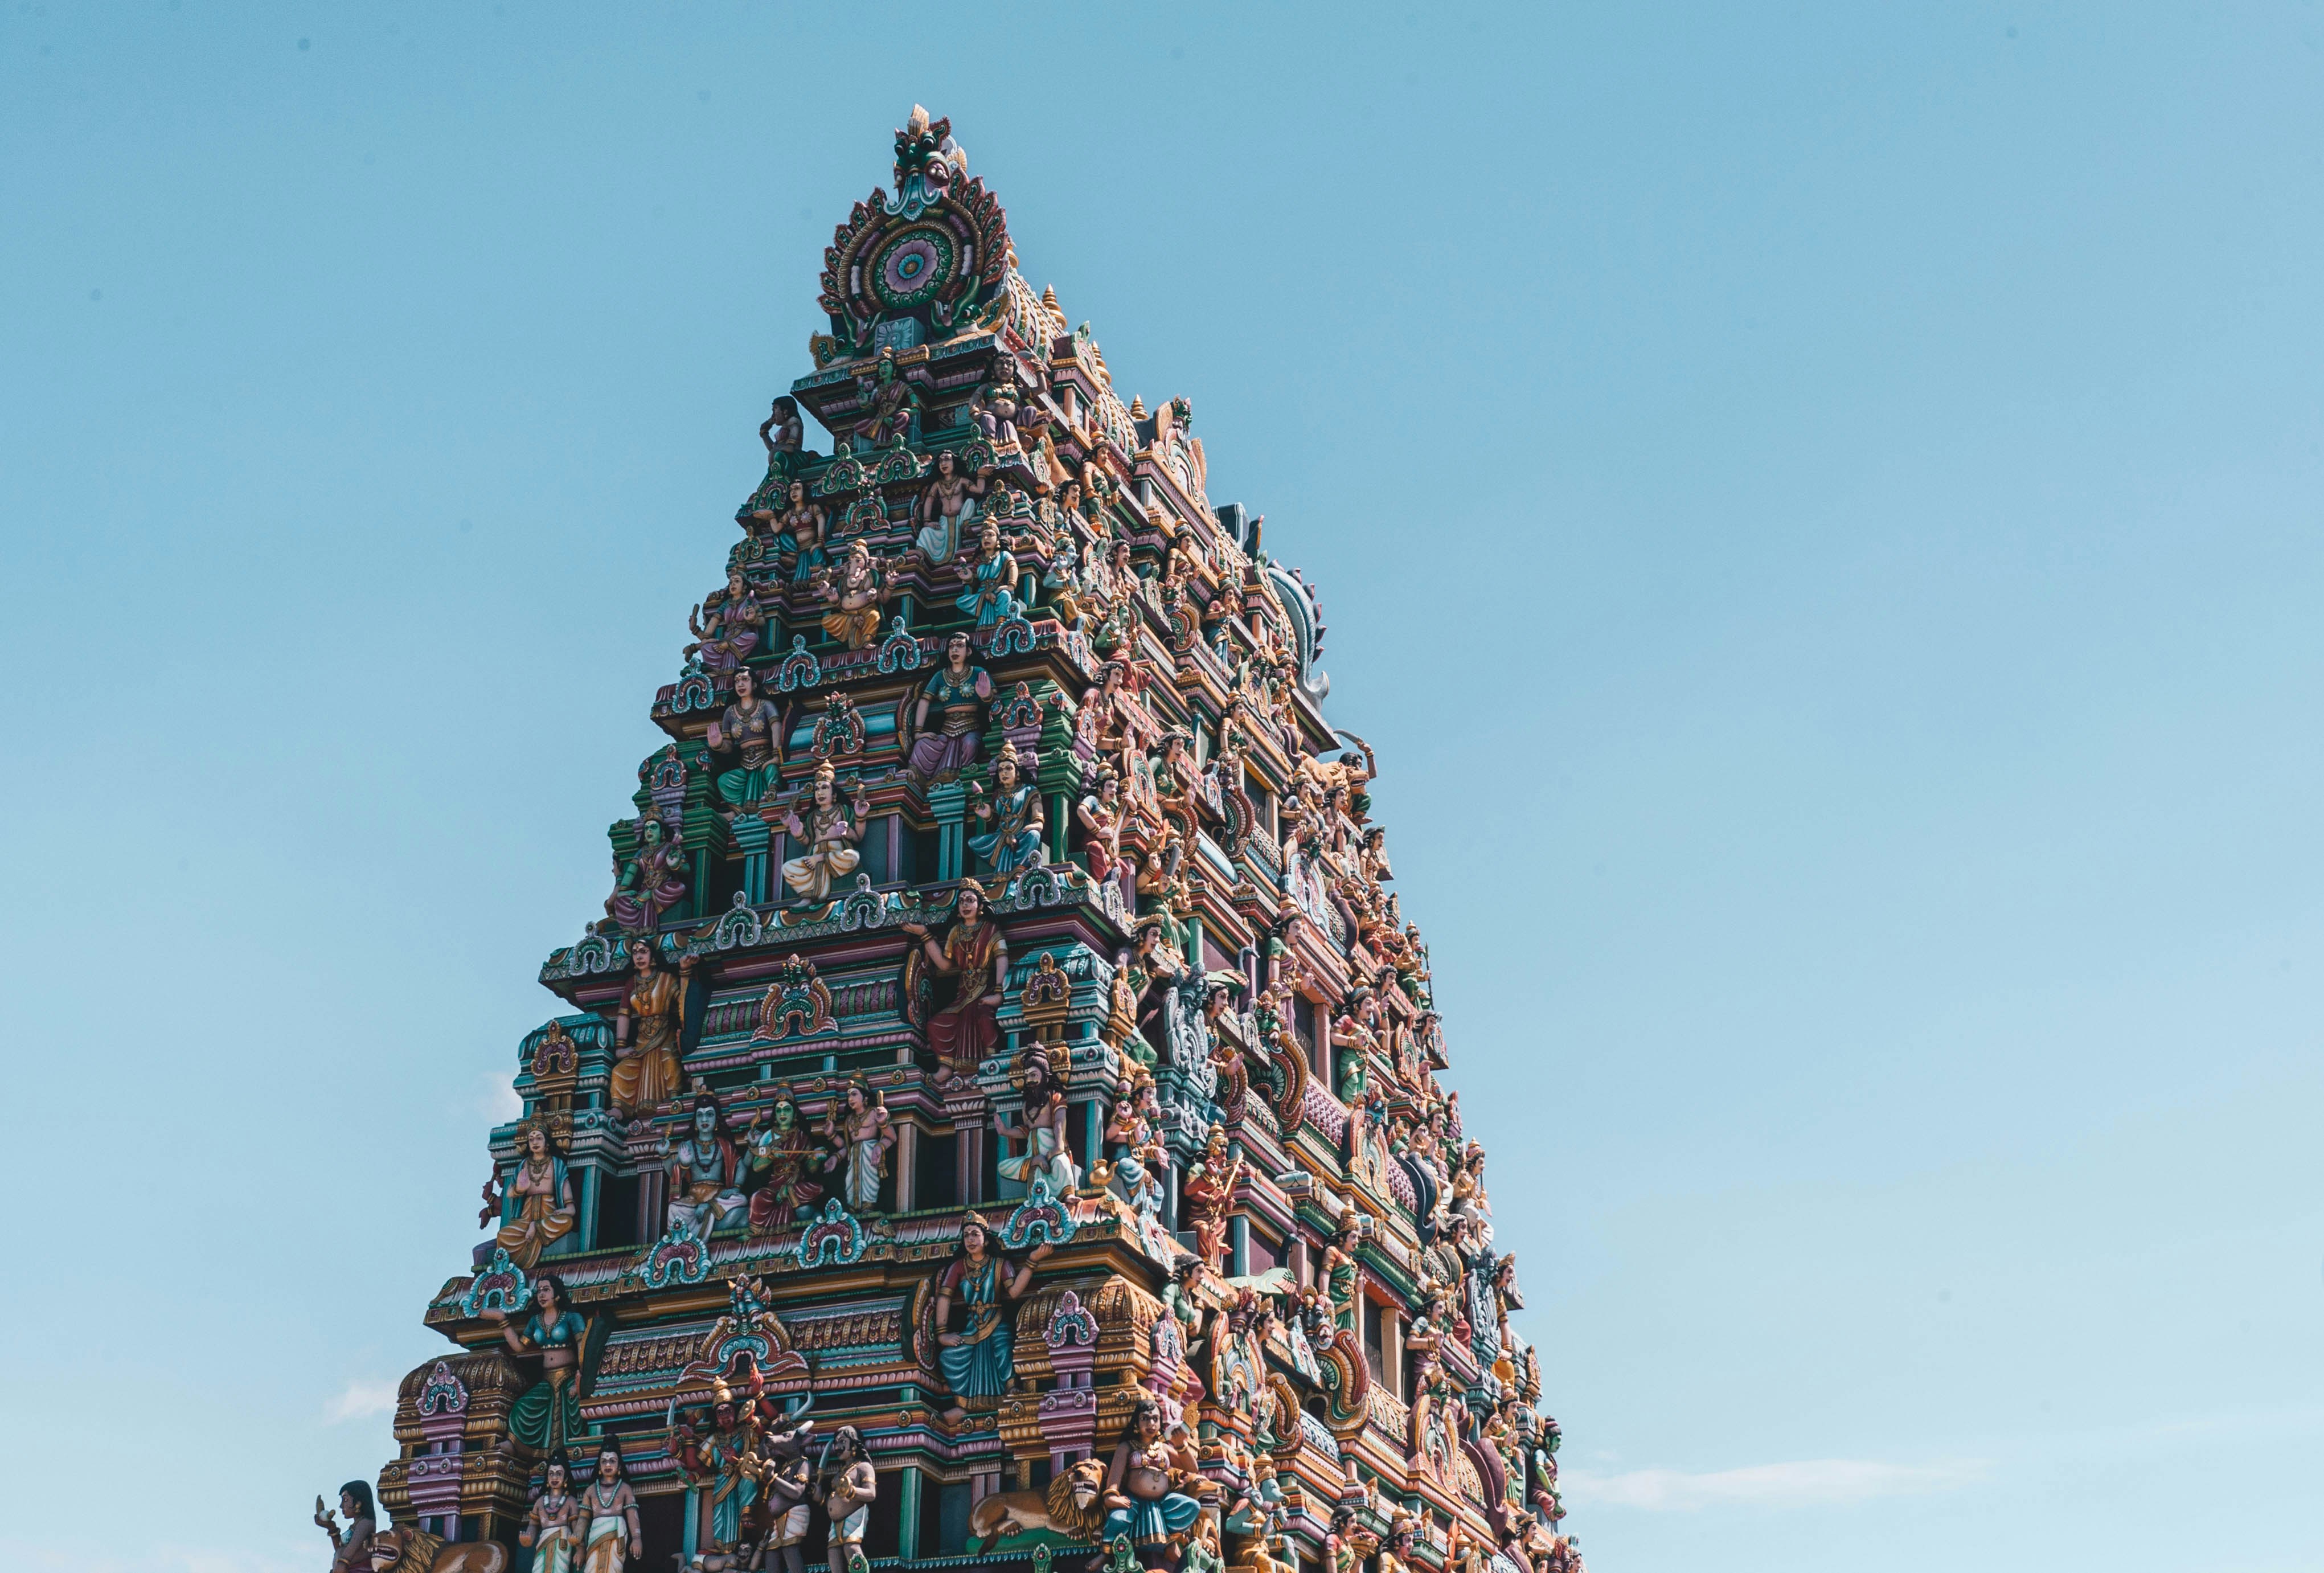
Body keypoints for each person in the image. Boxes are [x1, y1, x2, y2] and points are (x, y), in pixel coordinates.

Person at [933, 1216, 1050, 1422]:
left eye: (975, 1234)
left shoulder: (1000, 1265)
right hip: (973, 1325)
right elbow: (945, 1297)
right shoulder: (958, 1268)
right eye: (966, 1235)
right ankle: (963, 1405)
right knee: (949, 1358)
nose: (970, 1239)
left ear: (986, 1240)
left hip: (996, 1320)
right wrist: (942, 1334)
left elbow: (1014, 1292)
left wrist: (1032, 1261)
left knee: (1003, 1348)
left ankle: (1011, 1390)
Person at [902, 879, 1005, 1086]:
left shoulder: (991, 930)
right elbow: (944, 965)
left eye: (970, 900)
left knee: (985, 1018)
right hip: (963, 991)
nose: (966, 905)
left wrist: (999, 991)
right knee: (936, 1025)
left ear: (981, 907)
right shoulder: (955, 933)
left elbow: (1002, 958)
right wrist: (925, 935)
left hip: (984, 987)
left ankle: (990, 1059)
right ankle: (947, 1067)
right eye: (962, 902)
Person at [489, 1273, 588, 1457]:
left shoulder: (572, 1318)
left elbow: (583, 1347)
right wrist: (502, 1320)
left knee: (578, 1407)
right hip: (547, 1379)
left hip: (569, 1376)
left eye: (546, 1290)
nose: (541, 1295)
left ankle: (577, 1447)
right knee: (521, 1408)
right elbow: (519, 1347)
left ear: (557, 1295)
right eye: (539, 1291)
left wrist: (581, 1377)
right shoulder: (535, 1321)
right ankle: (514, 1443)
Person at [1099, 1398, 1206, 1565]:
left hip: (1162, 1502)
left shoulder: (1164, 1448)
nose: (1151, 1423)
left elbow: (1193, 1468)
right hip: (1133, 1501)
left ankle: (1169, 1541)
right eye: (1145, 1418)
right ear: (1136, 1422)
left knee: (1192, 1507)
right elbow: (1115, 1477)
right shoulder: (1127, 1447)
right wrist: (1112, 1496)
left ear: (1161, 1422)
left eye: (1155, 1419)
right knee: (1117, 1519)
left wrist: (1181, 1445)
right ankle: (1105, 1553)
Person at [609, 945, 689, 1117]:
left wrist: (684, 971)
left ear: (653, 956)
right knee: (619, 1072)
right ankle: (620, 1108)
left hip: (665, 1033)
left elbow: (685, 1001)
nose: (639, 956)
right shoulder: (632, 983)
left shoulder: (666, 979)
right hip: (642, 1040)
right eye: (635, 953)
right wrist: (621, 1047)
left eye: (643, 952)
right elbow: (624, 1015)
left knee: (669, 1059)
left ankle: (674, 1100)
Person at [659, 1089, 747, 1240]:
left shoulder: (723, 1145)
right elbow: (674, 1174)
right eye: (700, 1115)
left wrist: (736, 1187)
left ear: (716, 1120)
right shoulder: (688, 1145)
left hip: (718, 1195)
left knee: (741, 1199)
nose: (704, 1119)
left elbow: (740, 1165)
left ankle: (709, 1212)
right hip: (694, 1197)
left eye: (710, 1114)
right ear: (695, 1121)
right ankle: (713, 1223)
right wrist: (666, 1156)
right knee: (673, 1210)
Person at [994, 1043, 1081, 1193]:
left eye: (1034, 1075)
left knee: (1062, 1162)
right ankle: (1036, 1161)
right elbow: (1026, 1131)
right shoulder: (1027, 1106)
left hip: (1052, 1150)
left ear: (1045, 1076)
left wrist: (1056, 1149)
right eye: (1027, 1076)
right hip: (1032, 1155)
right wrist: (1005, 1131)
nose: (1030, 1080)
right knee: (1003, 1167)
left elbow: (1060, 1122)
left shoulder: (1055, 1097)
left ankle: (1068, 1195)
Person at [904, 633, 991, 782]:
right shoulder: (940, 676)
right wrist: (919, 732)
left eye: (960, 646)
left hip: (971, 727)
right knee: (922, 745)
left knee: (971, 744)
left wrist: (986, 696)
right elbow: (925, 701)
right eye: (951, 647)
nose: (955, 650)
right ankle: (916, 778)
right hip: (947, 730)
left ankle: (965, 776)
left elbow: (995, 702)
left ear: (969, 651)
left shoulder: (977, 672)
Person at [780, 763, 870, 902]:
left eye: (824, 788)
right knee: (787, 868)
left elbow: (858, 837)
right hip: (813, 858)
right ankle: (808, 896)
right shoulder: (812, 816)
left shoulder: (843, 810)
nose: (820, 793)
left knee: (853, 857)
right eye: (817, 789)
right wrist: (798, 835)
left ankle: (820, 864)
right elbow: (808, 841)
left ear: (834, 794)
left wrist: (858, 819)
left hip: (836, 855)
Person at [494, 1120, 576, 1270]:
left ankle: (536, 1228)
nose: (535, 1142)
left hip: (549, 1214)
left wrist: (564, 1211)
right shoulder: (524, 1165)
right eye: (531, 1139)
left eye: (539, 1138)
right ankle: (506, 1271)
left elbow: (571, 1209)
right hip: (526, 1217)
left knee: (567, 1222)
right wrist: (519, 1189)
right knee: (503, 1236)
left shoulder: (556, 1165)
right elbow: (509, 1193)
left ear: (547, 1142)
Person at [707, 665, 783, 813]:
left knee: (773, 772)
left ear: (754, 685)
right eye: (737, 681)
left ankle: (772, 801)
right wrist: (718, 745)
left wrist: (776, 755)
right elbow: (729, 745)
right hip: (745, 763)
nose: (740, 684)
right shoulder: (730, 713)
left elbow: (776, 727)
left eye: (745, 679)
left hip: (766, 758)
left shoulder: (766, 705)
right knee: (724, 781)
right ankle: (737, 812)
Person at [966, 742, 1045, 877]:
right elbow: (996, 820)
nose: (1004, 773)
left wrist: (1038, 823)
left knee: (1034, 836)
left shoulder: (1029, 790)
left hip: (1022, 833)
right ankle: (1007, 846)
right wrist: (988, 816)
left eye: (1009, 768)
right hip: (1001, 835)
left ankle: (1019, 868)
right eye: (1001, 770)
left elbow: (1037, 809)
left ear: (1018, 773)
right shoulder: (997, 794)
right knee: (973, 842)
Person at [818, 1080, 896, 1213]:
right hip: (854, 1155)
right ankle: (853, 1208)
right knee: (851, 1182)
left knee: (869, 1180)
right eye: (849, 1096)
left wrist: (882, 1128)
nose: (850, 1099)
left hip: (870, 1153)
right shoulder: (849, 1120)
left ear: (865, 1098)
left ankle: (868, 1206)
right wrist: (833, 1140)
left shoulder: (873, 1113)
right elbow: (846, 1147)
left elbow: (892, 1137)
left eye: (854, 1094)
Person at [815, 1427, 876, 1573]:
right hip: (835, 1522)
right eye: (836, 1443)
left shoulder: (864, 1467)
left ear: (855, 1445)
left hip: (854, 1515)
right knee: (833, 1553)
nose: (837, 1447)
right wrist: (820, 1498)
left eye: (843, 1442)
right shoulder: (840, 1472)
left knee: (852, 1548)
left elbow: (871, 1493)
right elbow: (836, 1498)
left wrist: (852, 1491)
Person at [580, 1440, 644, 1572]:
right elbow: (583, 1518)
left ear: (620, 1466)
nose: (608, 1464)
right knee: (592, 1565)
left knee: (614, 1567)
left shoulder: (625, 1489)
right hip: (595, 1535)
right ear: (599, 1466)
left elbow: (632, 1515)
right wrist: (577, 1537)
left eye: (612, 1461)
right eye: (604, 1461)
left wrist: (637, 1538)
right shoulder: (591, 1490)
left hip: (617, 1534)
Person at [520, 1455, 584, 1573]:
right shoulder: (540, 1502)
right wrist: (528, 1537)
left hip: (562, 1543)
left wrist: (580, 1548)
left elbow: (577, 1529)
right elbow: (533, 1525)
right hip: (543, 1543)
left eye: (559, 1474)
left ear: (566, 1478)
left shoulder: (570, 1501)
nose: (554, 1477)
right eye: (551, 1474)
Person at [313, 1480, 376, 1573]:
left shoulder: (366, 1523)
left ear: (359, 1502)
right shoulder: (356, 1525)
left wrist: (342, 1564)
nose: (341, 1506)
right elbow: (340, 1551)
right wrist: (332, 1528)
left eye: (346, 1500)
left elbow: (348, 1554)